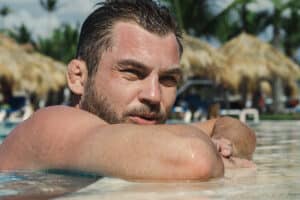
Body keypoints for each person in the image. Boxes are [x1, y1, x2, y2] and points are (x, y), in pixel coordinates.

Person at [0, 0, 256, 181]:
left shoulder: (128, 128)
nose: (154, 96)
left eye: (168, 79)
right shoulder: (51, 126)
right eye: (132, 73)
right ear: (78, 77)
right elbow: (195, 158)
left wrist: (225, 145)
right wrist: (211, 153)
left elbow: (234, 126)